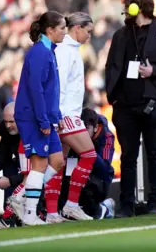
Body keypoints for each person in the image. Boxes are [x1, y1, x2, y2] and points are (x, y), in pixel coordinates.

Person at [105, 0, 156, 217]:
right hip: (125, 106)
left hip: (155, 103)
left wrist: (155, 72)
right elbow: (111, 67)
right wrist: (113, 98)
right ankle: (126, 205)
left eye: (129, 6)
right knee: (128, 156)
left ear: (139, 8)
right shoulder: (121, 35)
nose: (126, 10)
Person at [14, 11, 67, 225]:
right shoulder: (39, 53)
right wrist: (44, 120)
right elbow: (35, 89)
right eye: (62, 28)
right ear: (50, 30)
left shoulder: (49, 51)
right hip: (33, 116)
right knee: (40, 163)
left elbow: (49, 89)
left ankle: (20, 197)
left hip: (44, 115)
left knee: (57, 160)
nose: (65, 32)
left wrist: (56, 116)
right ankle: (29, 214)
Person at [47, 12, 96, 222]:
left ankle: (51, 212)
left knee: (58, 163)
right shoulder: (66, 51)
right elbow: (59, 85)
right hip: (65, 114)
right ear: (77, 28)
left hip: (65, 113)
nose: (90, 36)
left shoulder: (70, 50)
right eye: (88, 31)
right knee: (89, 155)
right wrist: (58, 114)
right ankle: (71, 205)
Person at [59, 108, 115, 219]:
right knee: (65, 180)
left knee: (85, 184)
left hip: (99, 179)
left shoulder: (107, 137)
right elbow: (69, 166)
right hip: (78, 172)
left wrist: (88, 151)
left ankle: (102, 209)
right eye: (80, 128)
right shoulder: (74, 135)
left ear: (95, 128)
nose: (82, 132)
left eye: (86, 128)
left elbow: (104, 168)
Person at [0, 102, 25, 228]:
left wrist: (11, 181)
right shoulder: (7, 132)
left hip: (35, 177)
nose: (8, 126)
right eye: (6, 121)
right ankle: (9, 213)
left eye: (12, 122)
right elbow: (3, 153)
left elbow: (38, 169)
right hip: (22, 174)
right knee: (9, 163)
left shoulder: (32, 133)